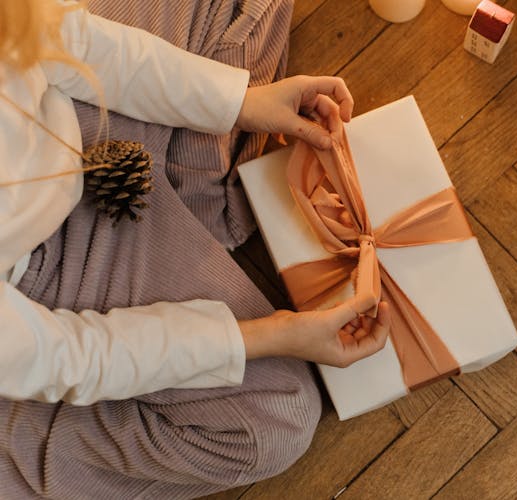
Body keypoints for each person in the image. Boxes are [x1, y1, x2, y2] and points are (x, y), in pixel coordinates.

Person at [0, 0, 391, 497]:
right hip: (44, 284)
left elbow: (71, 42)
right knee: (277, 417)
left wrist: (242, 103)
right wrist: (271, 334)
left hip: (72, 118)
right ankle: (23, 438)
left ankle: (196, 210)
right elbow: (77, 356)